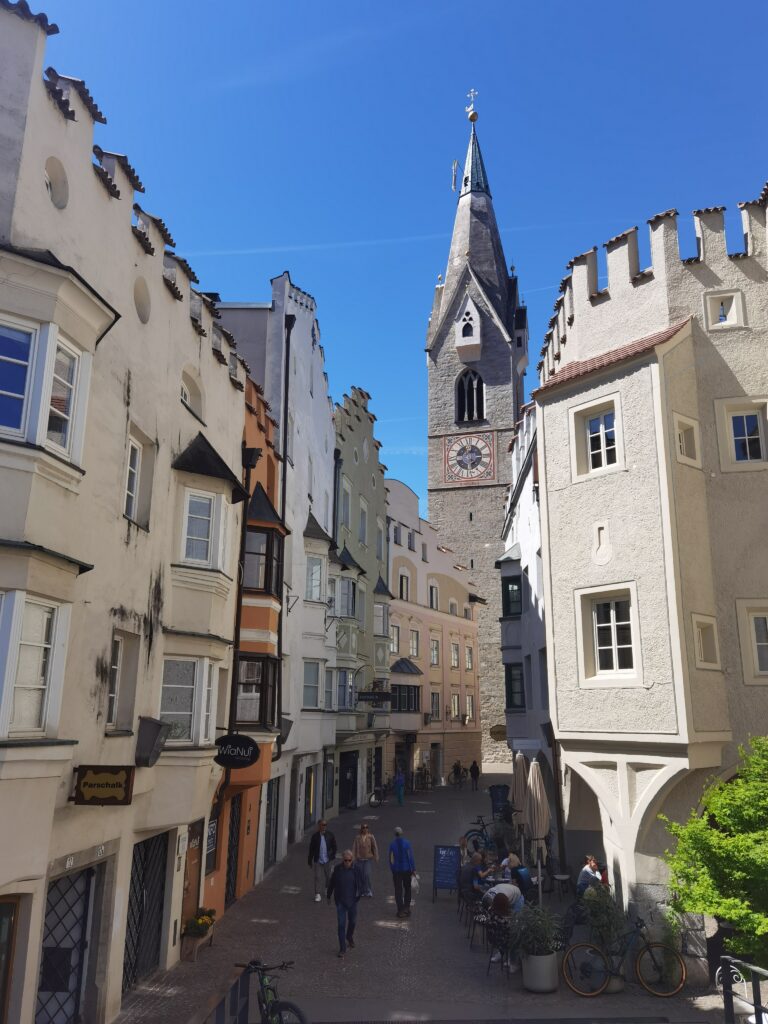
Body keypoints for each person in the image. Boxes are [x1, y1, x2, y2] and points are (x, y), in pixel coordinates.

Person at [327, 849, 365, 958]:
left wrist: (360, 894)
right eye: (345, 860)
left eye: (349, 860)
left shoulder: (357, 870)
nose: (347, 862)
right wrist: (329, 895)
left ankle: (349, 936)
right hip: (341, 902)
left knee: (352, 922)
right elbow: (332, 883)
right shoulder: (338, 869)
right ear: (342, 859)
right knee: (341, 925)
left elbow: (362, 883)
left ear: (352, 859)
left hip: (353, 901)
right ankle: (342, 948)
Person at [388, 826, 415, 918]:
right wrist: (413, 868)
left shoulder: (392, 844)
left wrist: (393, 869)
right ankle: (407, 908)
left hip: (397, 871)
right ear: (402, 833)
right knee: (407, 889)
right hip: (406, 869)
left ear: (395, 834)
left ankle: (400, 910)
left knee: (398, 891)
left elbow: (391, 859)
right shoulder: (407, 843)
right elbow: (410, 857)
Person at [308, 819, 337, 903]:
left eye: (325, 825)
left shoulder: (330, 835)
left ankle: (327, 888)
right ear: (319, 826)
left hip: (327, 860)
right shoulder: (315, 836)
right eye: (322, 825)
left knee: (328, 876)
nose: (324, 826)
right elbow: (311, 849)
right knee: (317, 877)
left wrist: (332, 856)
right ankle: (317, 894)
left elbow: (334, 847)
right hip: (318, 860)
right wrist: (310, 860)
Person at [352, 822, 378, 897]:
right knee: (360, 875)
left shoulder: (371, 837)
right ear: (361, 829)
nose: (365, 829)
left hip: (367, 859)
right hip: (359, 859)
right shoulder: (357, 837)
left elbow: (374, 847)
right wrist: (353, 857)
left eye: (367, 827)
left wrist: (376, 856)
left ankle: (368, 890)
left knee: (367, 875)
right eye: (364, 827)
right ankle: (361, 891)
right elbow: (354, 847)